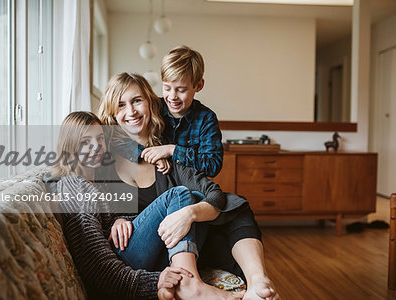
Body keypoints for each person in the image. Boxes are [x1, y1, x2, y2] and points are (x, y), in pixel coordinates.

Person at [98, 73, 280, 300]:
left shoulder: (168, 160)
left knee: (234, 205)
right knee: (183, 193)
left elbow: (215, 194)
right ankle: (191, 285)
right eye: (121, 105)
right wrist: (115, 218)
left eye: (137, 101)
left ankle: (257, 284)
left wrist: (189, 214)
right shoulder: (104, 157)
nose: (131, 111)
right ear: (112, 114)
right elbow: (92, 206)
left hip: (168, 256)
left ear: (151, 104)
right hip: (130, 254)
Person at [44, 111, 243, 300]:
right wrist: (155, 281)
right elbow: (96, 265)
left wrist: (121, 219)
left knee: (195, 197)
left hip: (124, 256)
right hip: (114, 276)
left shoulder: (95, 180)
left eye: (100, 139)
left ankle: (179, 285)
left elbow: (105, 228)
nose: (96, 147)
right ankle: (191, 286)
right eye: (85, 142)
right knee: (179, 194)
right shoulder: (74, 187)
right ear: (69, 146)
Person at [140, 45, 223, 178]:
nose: (172, 96)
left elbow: (213, 165)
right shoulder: (152, 108)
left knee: (232, 199)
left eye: (181, 90)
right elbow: (123, 139)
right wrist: (152, 156)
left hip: (192, 187)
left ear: (198, 86)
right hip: (155, 185)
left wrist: (171, 150)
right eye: (167, 88)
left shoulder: (206, 118)